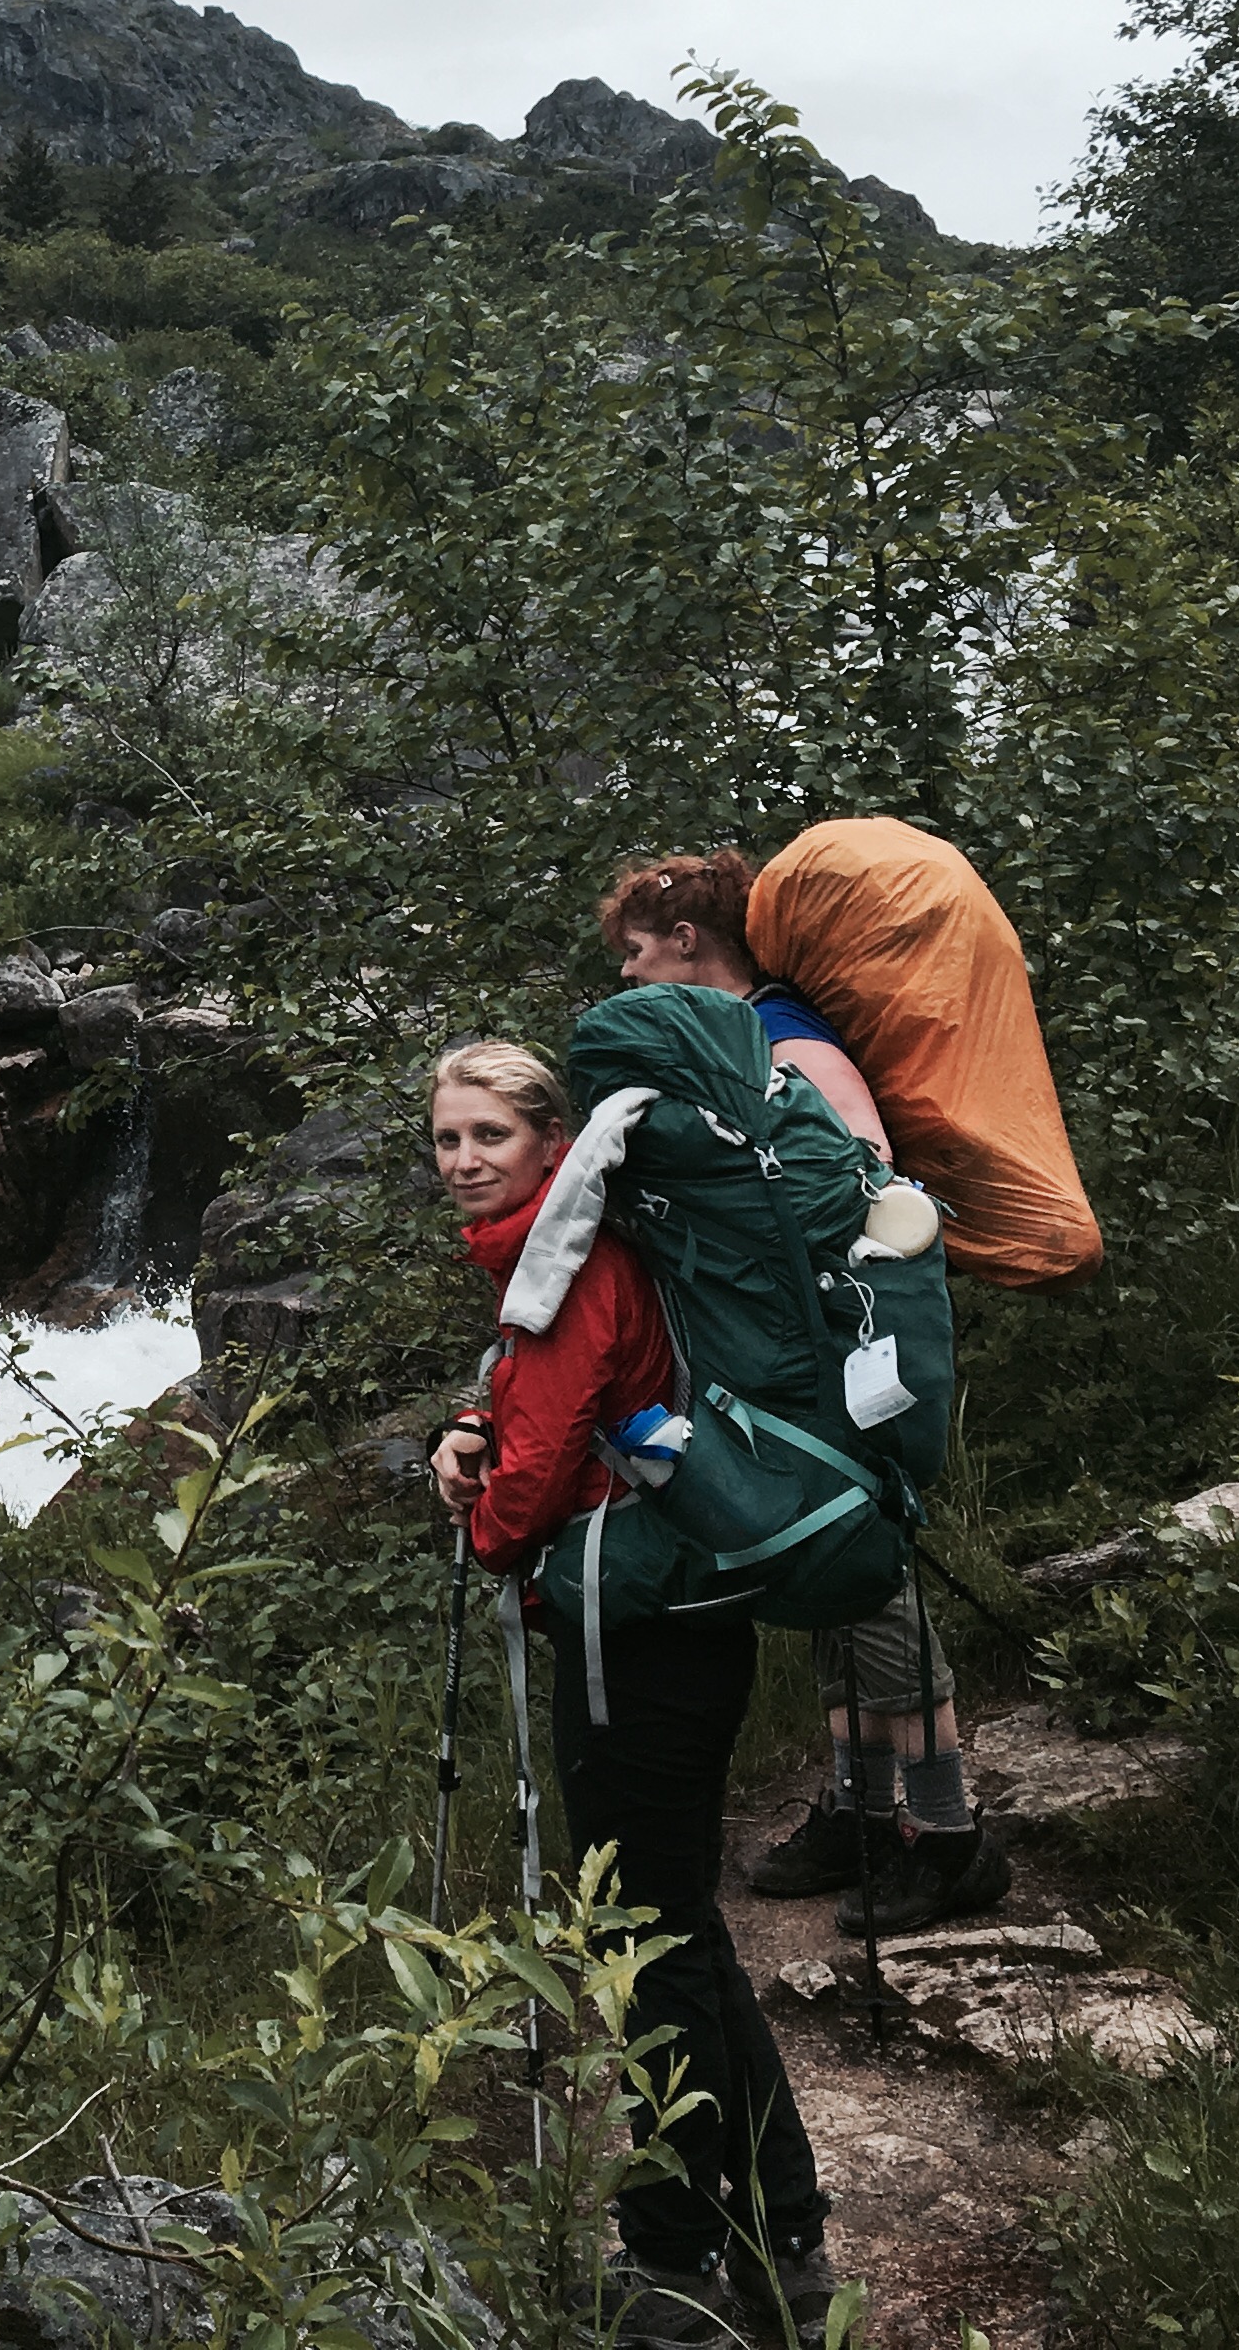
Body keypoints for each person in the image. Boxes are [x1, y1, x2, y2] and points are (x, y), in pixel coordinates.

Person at [426, 1039, 839, 2345]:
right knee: (687, 1932)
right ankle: (784, 2233)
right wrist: (469, 1435)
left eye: (488, 1135)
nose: (463, 1162)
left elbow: (535, 1482)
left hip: (635, 1641)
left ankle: (674, 2264)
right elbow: (542, 1412)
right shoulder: (569, 1254)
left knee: (648, 1947)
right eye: (445, 1140)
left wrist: (480, 1519)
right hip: (677, 1622)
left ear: (555, 1144)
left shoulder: (572, 1265)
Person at [599, 850, 1010, 1936]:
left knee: (869, 1581)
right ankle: (858, 1813)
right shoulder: (736, 1050)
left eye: (637, 956)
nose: (632, 979)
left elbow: (862, 1181)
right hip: (786, 1369)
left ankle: (946, 1833)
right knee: (823, 1585)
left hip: (842, 1366)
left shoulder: (786, 1040)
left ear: (688, 941)